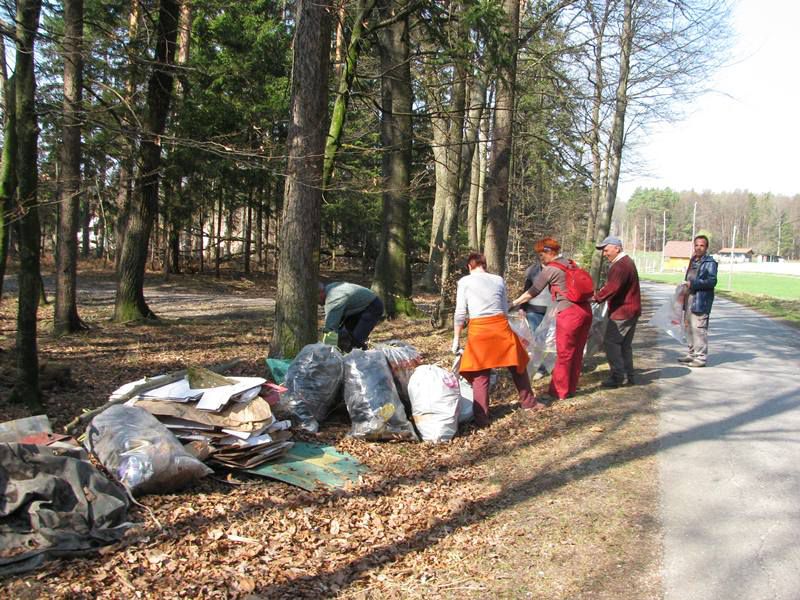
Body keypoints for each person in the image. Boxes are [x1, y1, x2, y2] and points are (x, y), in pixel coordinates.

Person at [452, 252, 544, 427]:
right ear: (484, 265)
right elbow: (503, 308)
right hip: (500, 326)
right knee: (518, 365)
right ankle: (529, 402)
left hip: (480, 330)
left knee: (480, 374)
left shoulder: (464, 282)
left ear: (469, 266)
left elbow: (460, 313)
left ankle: (482, 418)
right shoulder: (498, 280)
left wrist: (456, 338)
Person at [510, 238, 593, 401]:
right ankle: (570, 389)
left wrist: (513, 303)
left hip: (569, 314)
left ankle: (559, 392)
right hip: (585, 311)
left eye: (541, 255)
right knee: (576, 353)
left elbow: (532, 292)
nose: (541, 259)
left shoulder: (551, 269)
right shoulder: (571, 263)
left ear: (549, 252)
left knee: (564, 353)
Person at [592, 236, 642, 387]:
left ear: (617, 248)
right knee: (625, 345)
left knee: (611, 343)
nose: (604, 254)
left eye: (606, 250)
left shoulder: (620, 265)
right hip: (631, 310)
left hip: (623, 311)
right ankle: (628, 376)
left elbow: (612, 287)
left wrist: (595, 298)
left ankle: (618, 377)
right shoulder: (626, 262)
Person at [679, 235, 718, 367]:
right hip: (689, 299)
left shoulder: (710, 263)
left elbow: (712, 282)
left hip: (701, 301)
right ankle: (691, 354)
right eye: (696, 245)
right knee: (688, 328)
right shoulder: (693, 260)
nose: (698, 248)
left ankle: (700, 358)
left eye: (702, 245)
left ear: (706, 247)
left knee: (698, 329)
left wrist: (693, 284)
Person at [319, 282, 384, 352]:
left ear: (321, 293)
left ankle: (360, 359)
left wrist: (327, 353)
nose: (318, 303)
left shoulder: (333, 300)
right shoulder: (329, 288)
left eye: (316, 299)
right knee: (344, 335)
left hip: (372, 306)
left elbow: (330, 329)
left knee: (356, 342)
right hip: (357, 309)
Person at [520, 258, 553, 380]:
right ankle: (535, 366)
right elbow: (527, 289)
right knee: (535, 340)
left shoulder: (556, 270)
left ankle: (545, 367)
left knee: (549, 340)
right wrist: (522, 307)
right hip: (533, 311)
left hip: (551, 311)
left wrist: (557, 307)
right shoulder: (533, 270)